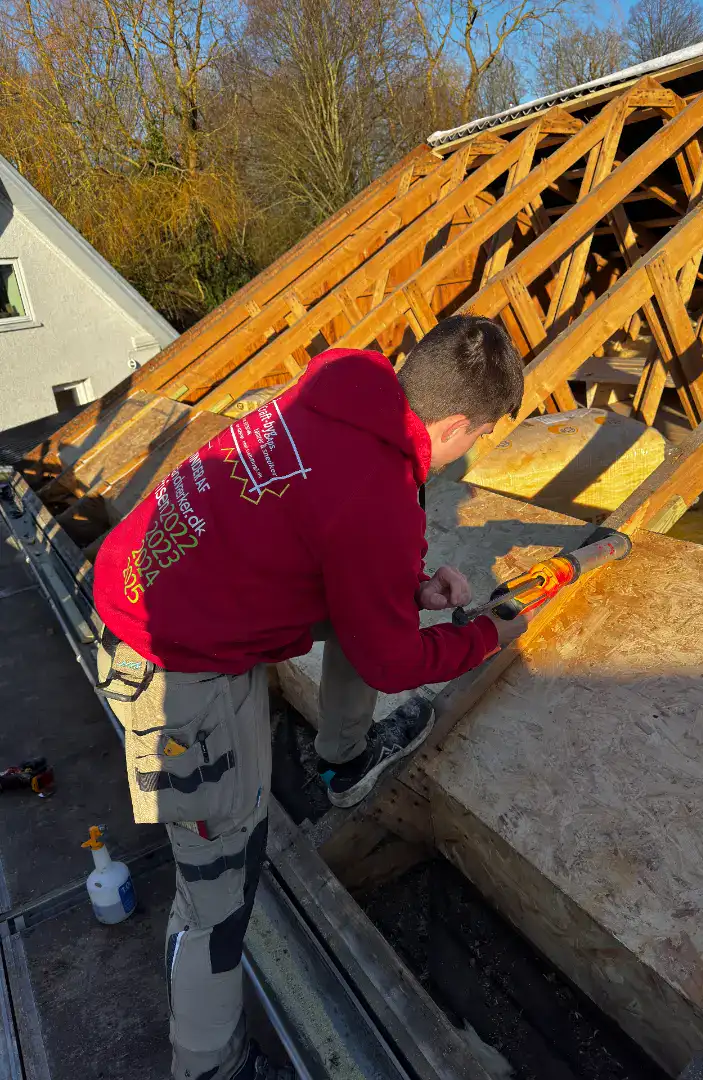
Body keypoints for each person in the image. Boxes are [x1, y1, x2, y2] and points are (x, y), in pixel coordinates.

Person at [92, 314, 532, 1080]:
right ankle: (210, 1069)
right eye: (478, 438)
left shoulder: (341, 386)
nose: (466, 455)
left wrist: (407, 587)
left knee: (372, 616)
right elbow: (392, 662)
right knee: (216, 898)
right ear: (458, 424)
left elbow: (319, 531)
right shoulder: (376, 495)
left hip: (151, 586)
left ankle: (345, 757)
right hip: (173, 671)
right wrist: (483, 637)